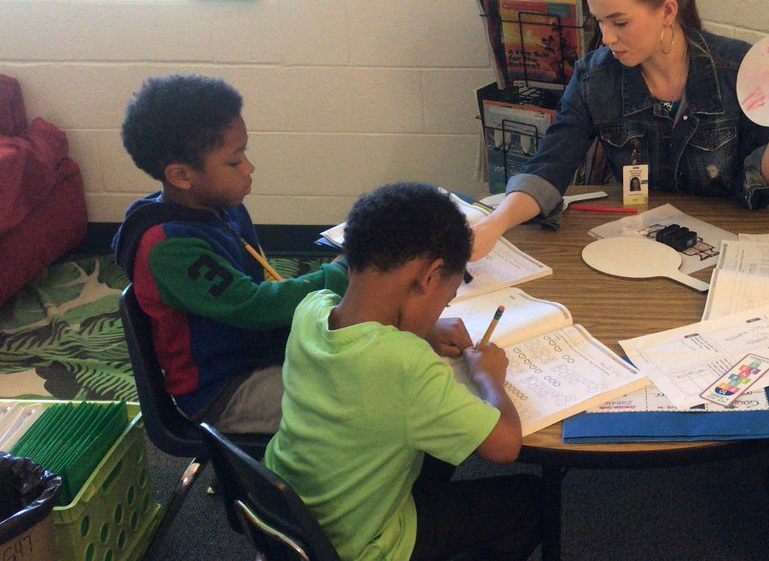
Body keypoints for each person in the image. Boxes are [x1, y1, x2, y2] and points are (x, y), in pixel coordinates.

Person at [471, 0, 769, 260]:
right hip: (639, 246)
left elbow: (758, 189)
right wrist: (494, 224)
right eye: (600, 22)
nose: (607, 37)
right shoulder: (594, 79)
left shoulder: (736, 68)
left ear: (667, 11)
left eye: (620, 23)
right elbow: (550, 165)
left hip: (730, 249)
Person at [264, 182, 542, 561]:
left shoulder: (311, 309)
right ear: (429, 276)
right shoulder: (406, 363)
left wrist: (425, 328)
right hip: (360, 546)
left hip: (292, 514)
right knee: (531, 501)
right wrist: (488, 378)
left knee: (435, 454)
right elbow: (505, 447)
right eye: (445, 301)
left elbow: (363, 338)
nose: (442, 310)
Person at [112, 74, 350, 434]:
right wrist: (341, 275)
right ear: (181, 175)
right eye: (235, 161)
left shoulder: (221, 206)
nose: (249, 168)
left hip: (259, 350)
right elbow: (254, 306)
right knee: (360, 403)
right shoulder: (169, 248)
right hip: (225, 389)